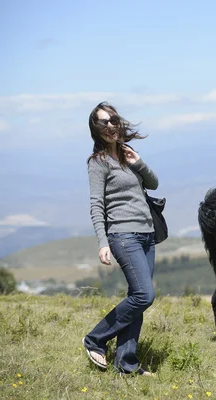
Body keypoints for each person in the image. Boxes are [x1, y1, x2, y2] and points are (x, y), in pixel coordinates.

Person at [82, 101, 159, 376]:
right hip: (122, 235)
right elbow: (96, 205)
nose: (110, 126)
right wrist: (103, 242)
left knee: (137, 298)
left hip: (147, 235)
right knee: (144, 295)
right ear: (97, 130)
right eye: (103, 123)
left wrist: (139, 162)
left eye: (113, 120)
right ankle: (95, 339)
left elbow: (153, 184)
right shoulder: (98, 163)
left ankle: (126, 364)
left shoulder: (128, 155)